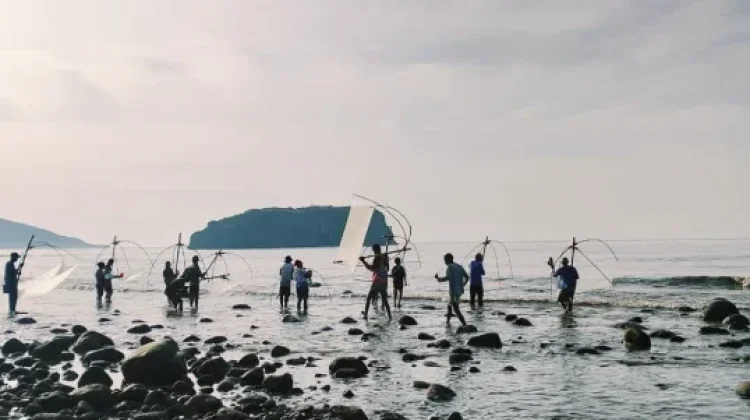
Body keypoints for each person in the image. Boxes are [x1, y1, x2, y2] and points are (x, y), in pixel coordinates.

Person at [435, 253, 469, 326]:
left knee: (456, 310)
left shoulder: (450, 267)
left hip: (453, 292)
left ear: (448, 259)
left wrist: (438, 279)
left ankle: (464, 324)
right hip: (459, 291)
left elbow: (448, 277)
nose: (444, 261)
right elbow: (467, 277)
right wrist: (464, 283)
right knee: (449, 306)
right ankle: (447, 322)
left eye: (445, 260)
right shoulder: (459, 266)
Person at [360, 244, 392, 321]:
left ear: (374, 250)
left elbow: (372, 268)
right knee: (385, 300)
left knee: (369, 298)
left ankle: (366, 315)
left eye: (373, 249)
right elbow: (387, 269)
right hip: (384, 282)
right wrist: (386, 259)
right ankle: (390, 316)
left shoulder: (377, 258)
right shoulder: (384, 257)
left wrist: (363, 261)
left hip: (377, 282)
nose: (372, 250)